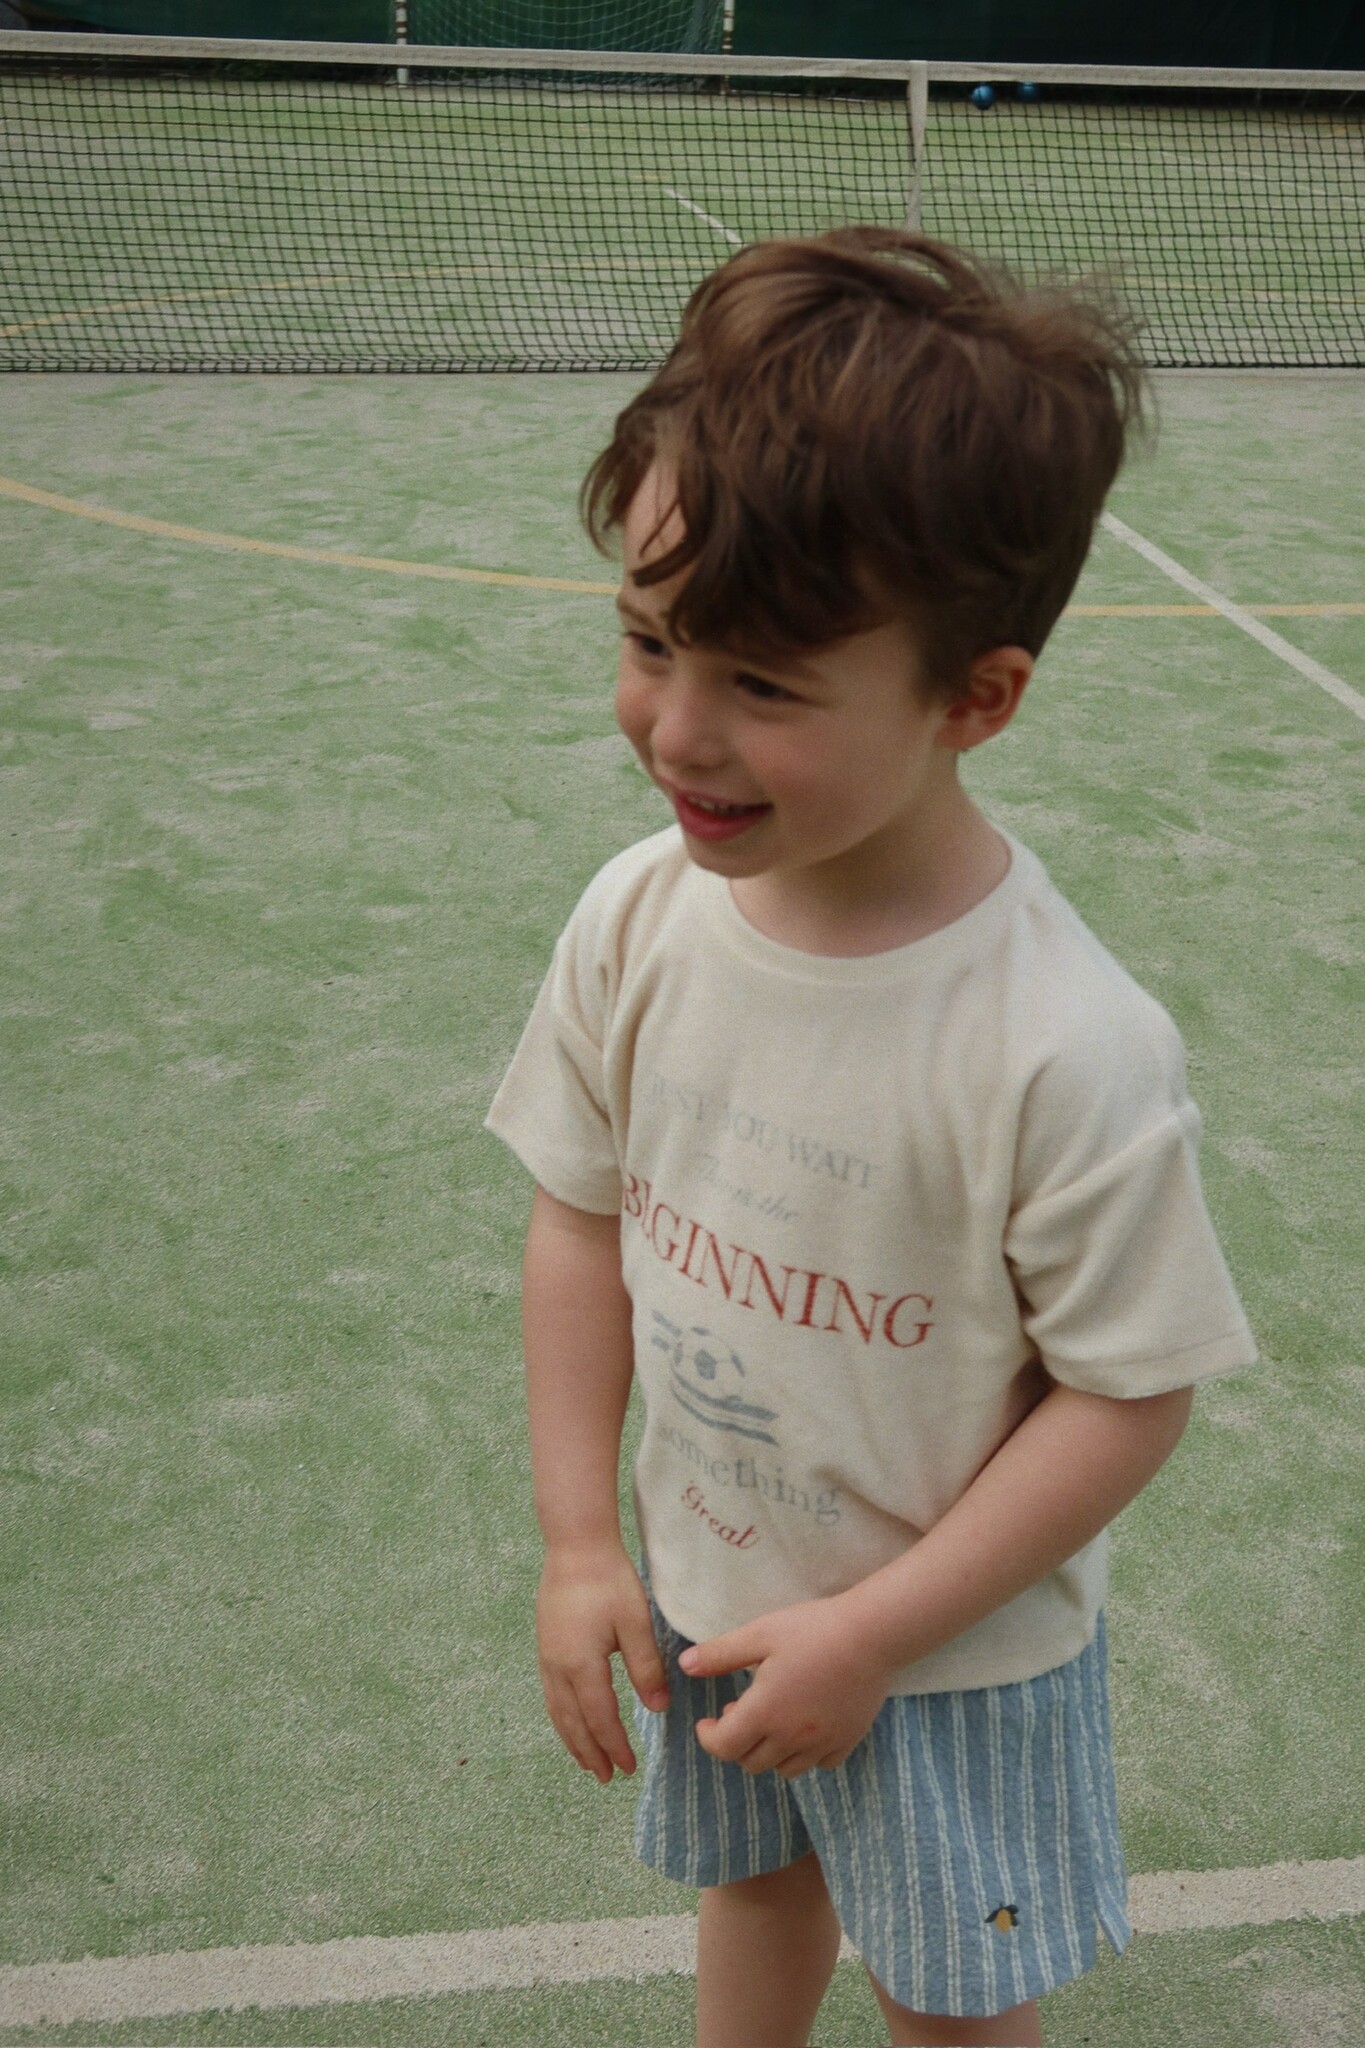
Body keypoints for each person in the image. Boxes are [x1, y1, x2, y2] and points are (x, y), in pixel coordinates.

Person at [484, 227, 1257, 2048]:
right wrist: (582, 1543)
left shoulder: (1062, 1045)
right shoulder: (635, 918)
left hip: (954, 1657)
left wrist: (879, 1633)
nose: (678, 731)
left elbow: (1127, 1395)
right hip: (711, 1582)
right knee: (754, 1889)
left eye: (764, 685)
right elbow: (580, 1221)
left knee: (946, 1991)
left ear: (972, 697)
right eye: (648, 641)